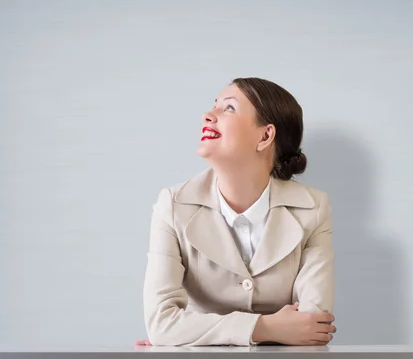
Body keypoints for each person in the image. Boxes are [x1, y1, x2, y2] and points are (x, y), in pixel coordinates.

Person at [136, 77, 336, 346]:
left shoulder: (312, 208)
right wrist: (265, 328)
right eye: (214, 106)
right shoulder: (173, 205)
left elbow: (312, 327)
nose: (208, 115)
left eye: (228, 108)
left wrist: (192, 333)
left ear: (265, 136)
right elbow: (161, 325)